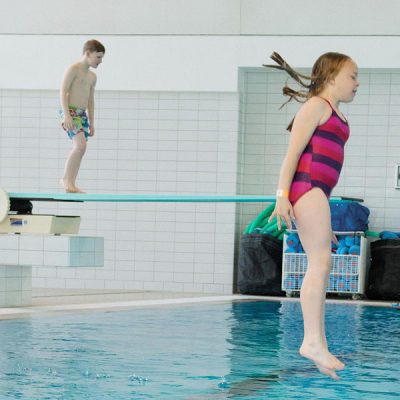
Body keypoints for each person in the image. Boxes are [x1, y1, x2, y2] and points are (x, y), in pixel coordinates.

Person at [264, 52, 359, 380]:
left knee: (322, 261)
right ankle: (312, 341)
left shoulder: (335, 112)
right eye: (352, 76)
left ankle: (317, 347)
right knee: (320, 263)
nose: (356, 83)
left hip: (320, 192)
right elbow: (292, 155)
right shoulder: (316, 106)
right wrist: (282, 196)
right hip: (307, 187)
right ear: (332, 77)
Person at [59, 39, 105, 193]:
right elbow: (63, 92)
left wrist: (92, 123)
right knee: (79, 146)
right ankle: (66, 180)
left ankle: (71, 183)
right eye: (98, 57)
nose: (100, 61)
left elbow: (91, 101)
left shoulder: (93, 77)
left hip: (81, 114)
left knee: (81, 148)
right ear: (88, 53)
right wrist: (67, 115)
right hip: (70, 112)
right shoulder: (73, 69)